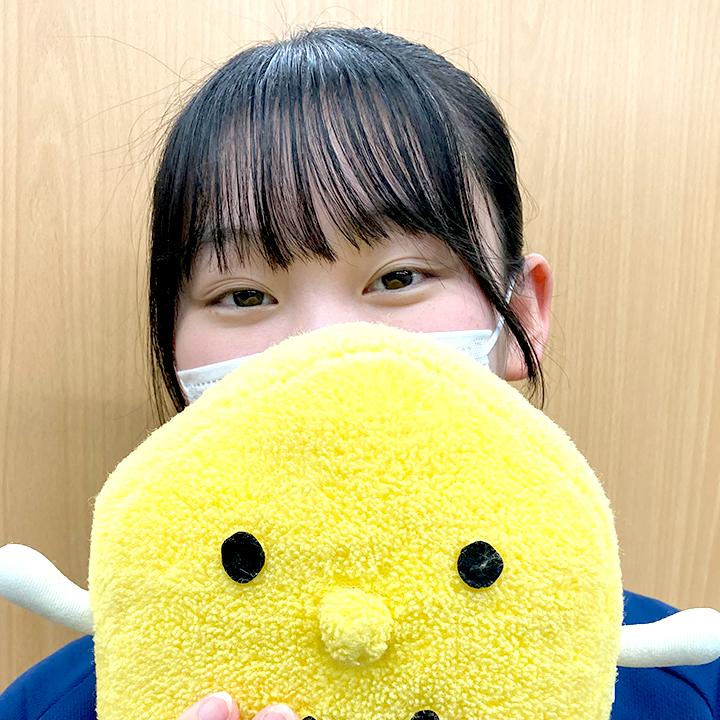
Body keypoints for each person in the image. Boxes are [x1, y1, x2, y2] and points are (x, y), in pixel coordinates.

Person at [2, 25, 718, 720]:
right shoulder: (54, 705)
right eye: (243, 295)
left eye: (399, 276)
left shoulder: (683, 685)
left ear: (521, 315)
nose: (324, 349)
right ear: (170, 337)